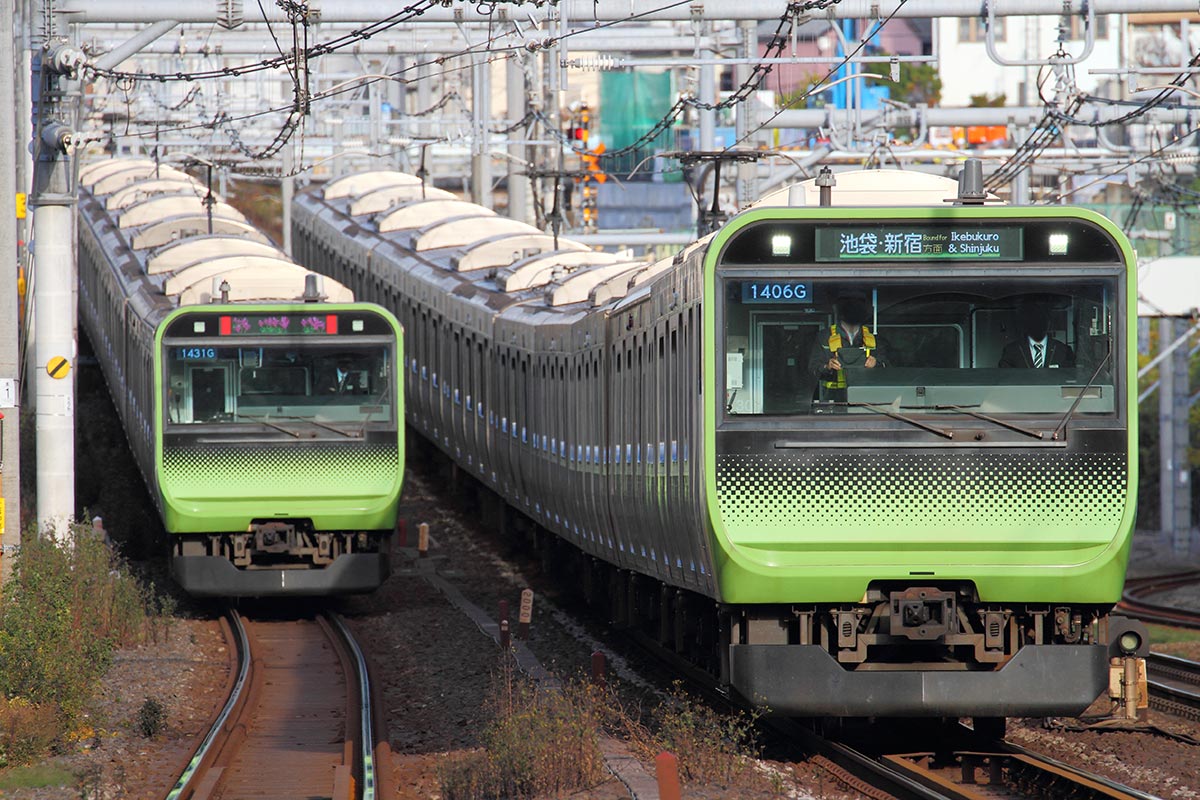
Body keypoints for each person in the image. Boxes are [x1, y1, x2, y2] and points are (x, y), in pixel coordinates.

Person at [808, 294, 889, 402]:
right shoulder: (824, 336)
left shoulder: (874, 338)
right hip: (833, 401)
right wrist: (827, 366)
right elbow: (812, 369)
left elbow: (889, 369)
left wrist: (877, 364)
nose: (853, 311)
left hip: (866, 400)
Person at [999, 305, 1075, 368]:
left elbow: (1071, 380)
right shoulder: (1011, 350)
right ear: (1027, 323)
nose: (1039, 323)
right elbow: (1005, 379)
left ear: (1049, 323)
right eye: (1034, 319)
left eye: (1043, 319)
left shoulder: (1064, 351)